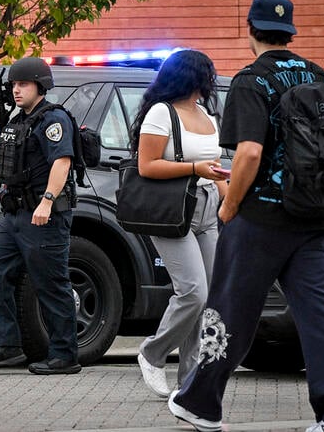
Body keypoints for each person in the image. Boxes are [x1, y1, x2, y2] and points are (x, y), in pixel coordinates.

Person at [168, 0, 324, 432]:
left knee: (231, 310)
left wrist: (231, 204)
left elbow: (249, 152)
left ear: (251, 31)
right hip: (315, 218)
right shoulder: (319, 75)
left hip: (262, 218)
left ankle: (201, 404)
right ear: (290, 32)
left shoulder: (251, 80)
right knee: (323, 318)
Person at [0, 57, 81, 375]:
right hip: (16, 214)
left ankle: (64, 354)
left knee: (50, 283)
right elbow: (3, 162)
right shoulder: (19, 121)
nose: (16, 90)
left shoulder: (54, 120)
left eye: (23, 84)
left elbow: (62, 163)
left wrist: (47, 202)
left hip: (43, 215)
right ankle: (7, 346)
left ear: (40, 86)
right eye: (14, 85)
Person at [129, 50, 227, 398]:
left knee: (208, 295)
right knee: (193, 291)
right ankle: (152, 352)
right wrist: (194, 169)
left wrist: (228, 198)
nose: (210, 82)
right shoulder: (161, 113)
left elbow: (213, 165)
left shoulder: (207, 115)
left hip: (208, 208)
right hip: (173, 211)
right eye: (206, 74)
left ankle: (189, 385)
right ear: (191, 77)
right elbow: (147, 166)